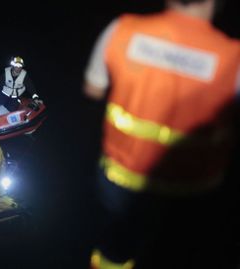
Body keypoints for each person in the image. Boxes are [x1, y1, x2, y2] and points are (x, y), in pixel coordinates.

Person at [83, 0, 240, 268]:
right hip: (193, 193)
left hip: (120, 182)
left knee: (116, 248)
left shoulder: (122, 30)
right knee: (174, 253)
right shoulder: (233, 58)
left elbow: (93, 89)